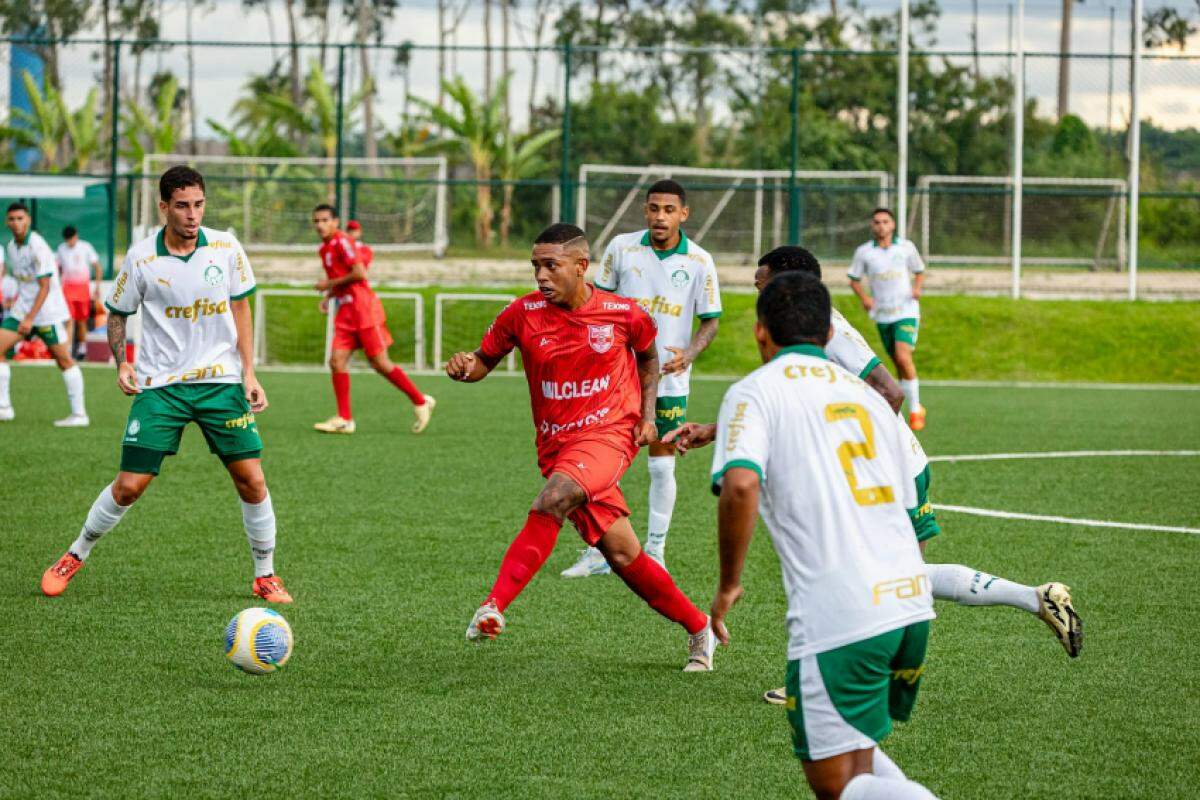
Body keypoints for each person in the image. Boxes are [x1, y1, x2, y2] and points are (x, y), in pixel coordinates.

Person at [668, 245, 1083, 704]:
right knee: (898, 577)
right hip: (890, 465)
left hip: (884, 467)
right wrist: (715, 429)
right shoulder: (802, 330)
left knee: (844, 571)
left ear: (790, 284)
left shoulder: (832, 330)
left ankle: (824, 679)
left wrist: (849, 454)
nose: (756, 291)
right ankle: (1034, 598)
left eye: (762, 283)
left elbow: (889, 392)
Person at [710, 271, 940, 800]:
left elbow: (741, 484)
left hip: (842, 614)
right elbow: (908, 505)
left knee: (836, 786)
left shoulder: (754, 391)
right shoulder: (868, 399)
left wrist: (728, 585)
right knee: (857, 761)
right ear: (826, 329)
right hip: (908, 603)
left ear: (760, 331)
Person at [446, 222, 716, 672]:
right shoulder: (522, 313)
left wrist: (647, 415)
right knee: (624, 554)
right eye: (536, 266)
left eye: (551, 266)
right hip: (558, 447)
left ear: (581, 266)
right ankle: (698, 625)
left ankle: (493, 605)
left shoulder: (623, 313)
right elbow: (483, 362)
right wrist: (464, 366)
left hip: (611, 436)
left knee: (554, 499)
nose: (541, 276)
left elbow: (649, 357)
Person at [39, 166, 292, 604]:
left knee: (251, 479)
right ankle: (74, 555)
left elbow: (242, 309)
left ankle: (266, 574)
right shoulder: (142, 258)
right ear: (163, 207)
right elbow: (117, 312)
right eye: (182, 206)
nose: (192, 215)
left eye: (199, 204)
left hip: (220, 382)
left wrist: (249, 373)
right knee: (129, 487)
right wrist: (122, 364)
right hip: (161, 387)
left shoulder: (227, 248)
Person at [563, 179, 721, 577]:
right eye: (653, 208)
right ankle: (599, 550)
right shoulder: (622, 248)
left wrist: (690, 353)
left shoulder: (700, 262)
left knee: (661, 466)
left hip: (669, 383)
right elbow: (596, 304)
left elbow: (711, 321)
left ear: (684, 214)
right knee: (598, 463)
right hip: (614, 379)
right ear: (645, 210)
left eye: (669, 210)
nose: (660, 216)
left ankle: (655, 549)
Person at [311, 204, 434, 435]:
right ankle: (344, 419)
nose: (320, 225)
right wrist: (330, 295)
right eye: (316, 221)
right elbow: (340, 278)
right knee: (336, 361)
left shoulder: (343, 242)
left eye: (325, 220)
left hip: (364, 310)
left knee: (380, 363)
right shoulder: (324, 249)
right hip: (346, 313)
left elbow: (359, 273)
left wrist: (328, 285)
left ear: (336, 221)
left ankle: (420, 401)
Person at [0, 202, 88, 426]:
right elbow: (25, 283)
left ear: (28, 220)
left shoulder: (38, 246)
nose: (16, 223)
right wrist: (21, 310)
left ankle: (79, 415)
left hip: (46, 313)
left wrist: (30, 319)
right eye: (12, 219)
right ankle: (4, 408)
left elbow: (45, 286)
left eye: (20, 218)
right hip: (22, 310)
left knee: (64, 360)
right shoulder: (11, 247)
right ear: (7, 222)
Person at [848, 208, 927, 430]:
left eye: (885, 221)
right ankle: (911, 405)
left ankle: (914, 410)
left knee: (903, 356)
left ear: (892, 225)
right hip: (882, 314)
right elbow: (853, 279)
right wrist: (864, 298)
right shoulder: (864, 252)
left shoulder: (906, 247)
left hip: (906, 311)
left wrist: (917, 288)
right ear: (872, 226)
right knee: (897, 362)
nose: (881, 226)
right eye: (877, 222)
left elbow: (919, 270)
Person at [56, 225, 103, 360]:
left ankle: (82, 347)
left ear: (76, 236)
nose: (69, 243)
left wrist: (97, 287)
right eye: (67, 240)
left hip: (82, 288)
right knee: (68, 319)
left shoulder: (85, 247)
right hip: (67, 288)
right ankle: (68, 349)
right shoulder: (61, 249)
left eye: (71, 239)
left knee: (82, 320)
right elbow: (57, 269)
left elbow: (97, 267)